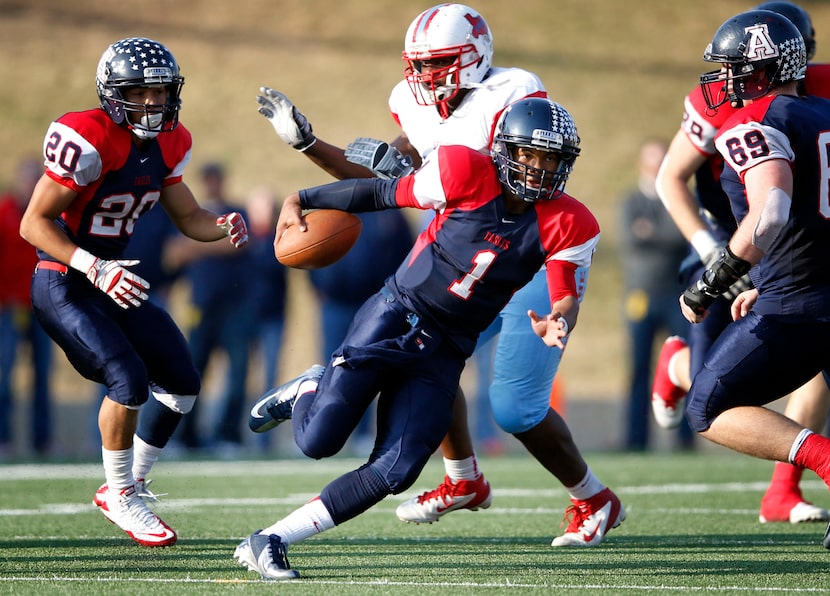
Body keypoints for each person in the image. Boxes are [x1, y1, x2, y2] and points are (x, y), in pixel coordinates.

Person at [254, 2, 623, 547]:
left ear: (474, 57)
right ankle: (463, 478)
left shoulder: (516, 93)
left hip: (522, 254)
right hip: (448, 259)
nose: (425, 76)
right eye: (419, 64)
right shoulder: (414, 105)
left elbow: (526, 166)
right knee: (434, 356)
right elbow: (384, 181)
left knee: (514, 406)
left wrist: (559, 312)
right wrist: (310, 147)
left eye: (439, 62)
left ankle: (591, 496)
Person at [18, 36, 248, 547]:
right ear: (111, 93)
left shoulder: (171, 142)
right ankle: (120, 493)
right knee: (128, 378)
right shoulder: (89, 137)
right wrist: (94, 268)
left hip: (113, 279)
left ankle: (132, 482)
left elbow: (189, 217)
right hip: (64, 279)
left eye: (160, 92)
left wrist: (223, 224)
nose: (151, 102)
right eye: (139, 92)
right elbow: (33, 224)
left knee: (184, 382)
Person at [652, 1, 830, 524]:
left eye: (737, 68)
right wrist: (716, 252)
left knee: (708, 406)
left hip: (780, 277)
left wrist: (717, 278)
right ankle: (785, 488)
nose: (725, 79)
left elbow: (770, 212)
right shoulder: (815, 106)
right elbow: (672, 179)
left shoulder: (753, 120)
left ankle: (807, 469)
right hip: (770, 260)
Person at [164, 162, 253, 456]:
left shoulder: (234, 212)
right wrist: (196, 245)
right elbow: (172, 255)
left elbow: (237, 244)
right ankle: (185, 436)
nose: (212, 184)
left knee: (238, 373)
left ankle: (228, 435)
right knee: (192, 372)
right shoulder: (189, 215)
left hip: (235, 306)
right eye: (208, 179)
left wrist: (196, 246)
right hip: (200, 307)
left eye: (216, 179)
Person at [308, 210, 414, 454]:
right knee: (330, 368)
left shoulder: (389, 212)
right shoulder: (330, 210)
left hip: (374, 303)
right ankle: (321, 428)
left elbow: (406, 254)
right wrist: (319, 286)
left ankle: (362, 433)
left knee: (365, 367)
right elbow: (312, 248)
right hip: (334, 303)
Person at [617, 140, 691, 451]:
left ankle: (687, 440)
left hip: (678, 296)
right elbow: (629, 237)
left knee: (686, 366)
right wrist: (663, 232)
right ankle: (636, 441)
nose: (654, 165)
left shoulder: (681, 199)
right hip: (640, 297)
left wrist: (652, 232)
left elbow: (682, 236)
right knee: (638, 370)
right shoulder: (630, 201)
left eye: (660, 159)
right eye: (650, 159)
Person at [0, 157, 54, 458]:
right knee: (5, 375)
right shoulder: (4, 213)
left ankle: (43, 440)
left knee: (43, 375)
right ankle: (3, 438)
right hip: (9, 308)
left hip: (41, 307)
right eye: (28, 179)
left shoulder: (49, 214)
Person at [244, 185, 289, 453]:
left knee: (271, 377)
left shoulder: (279, 240)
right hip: (245, 317)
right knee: (239, 374)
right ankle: (230, 436)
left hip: (273, 317)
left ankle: (264, 440)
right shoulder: (243, 240)